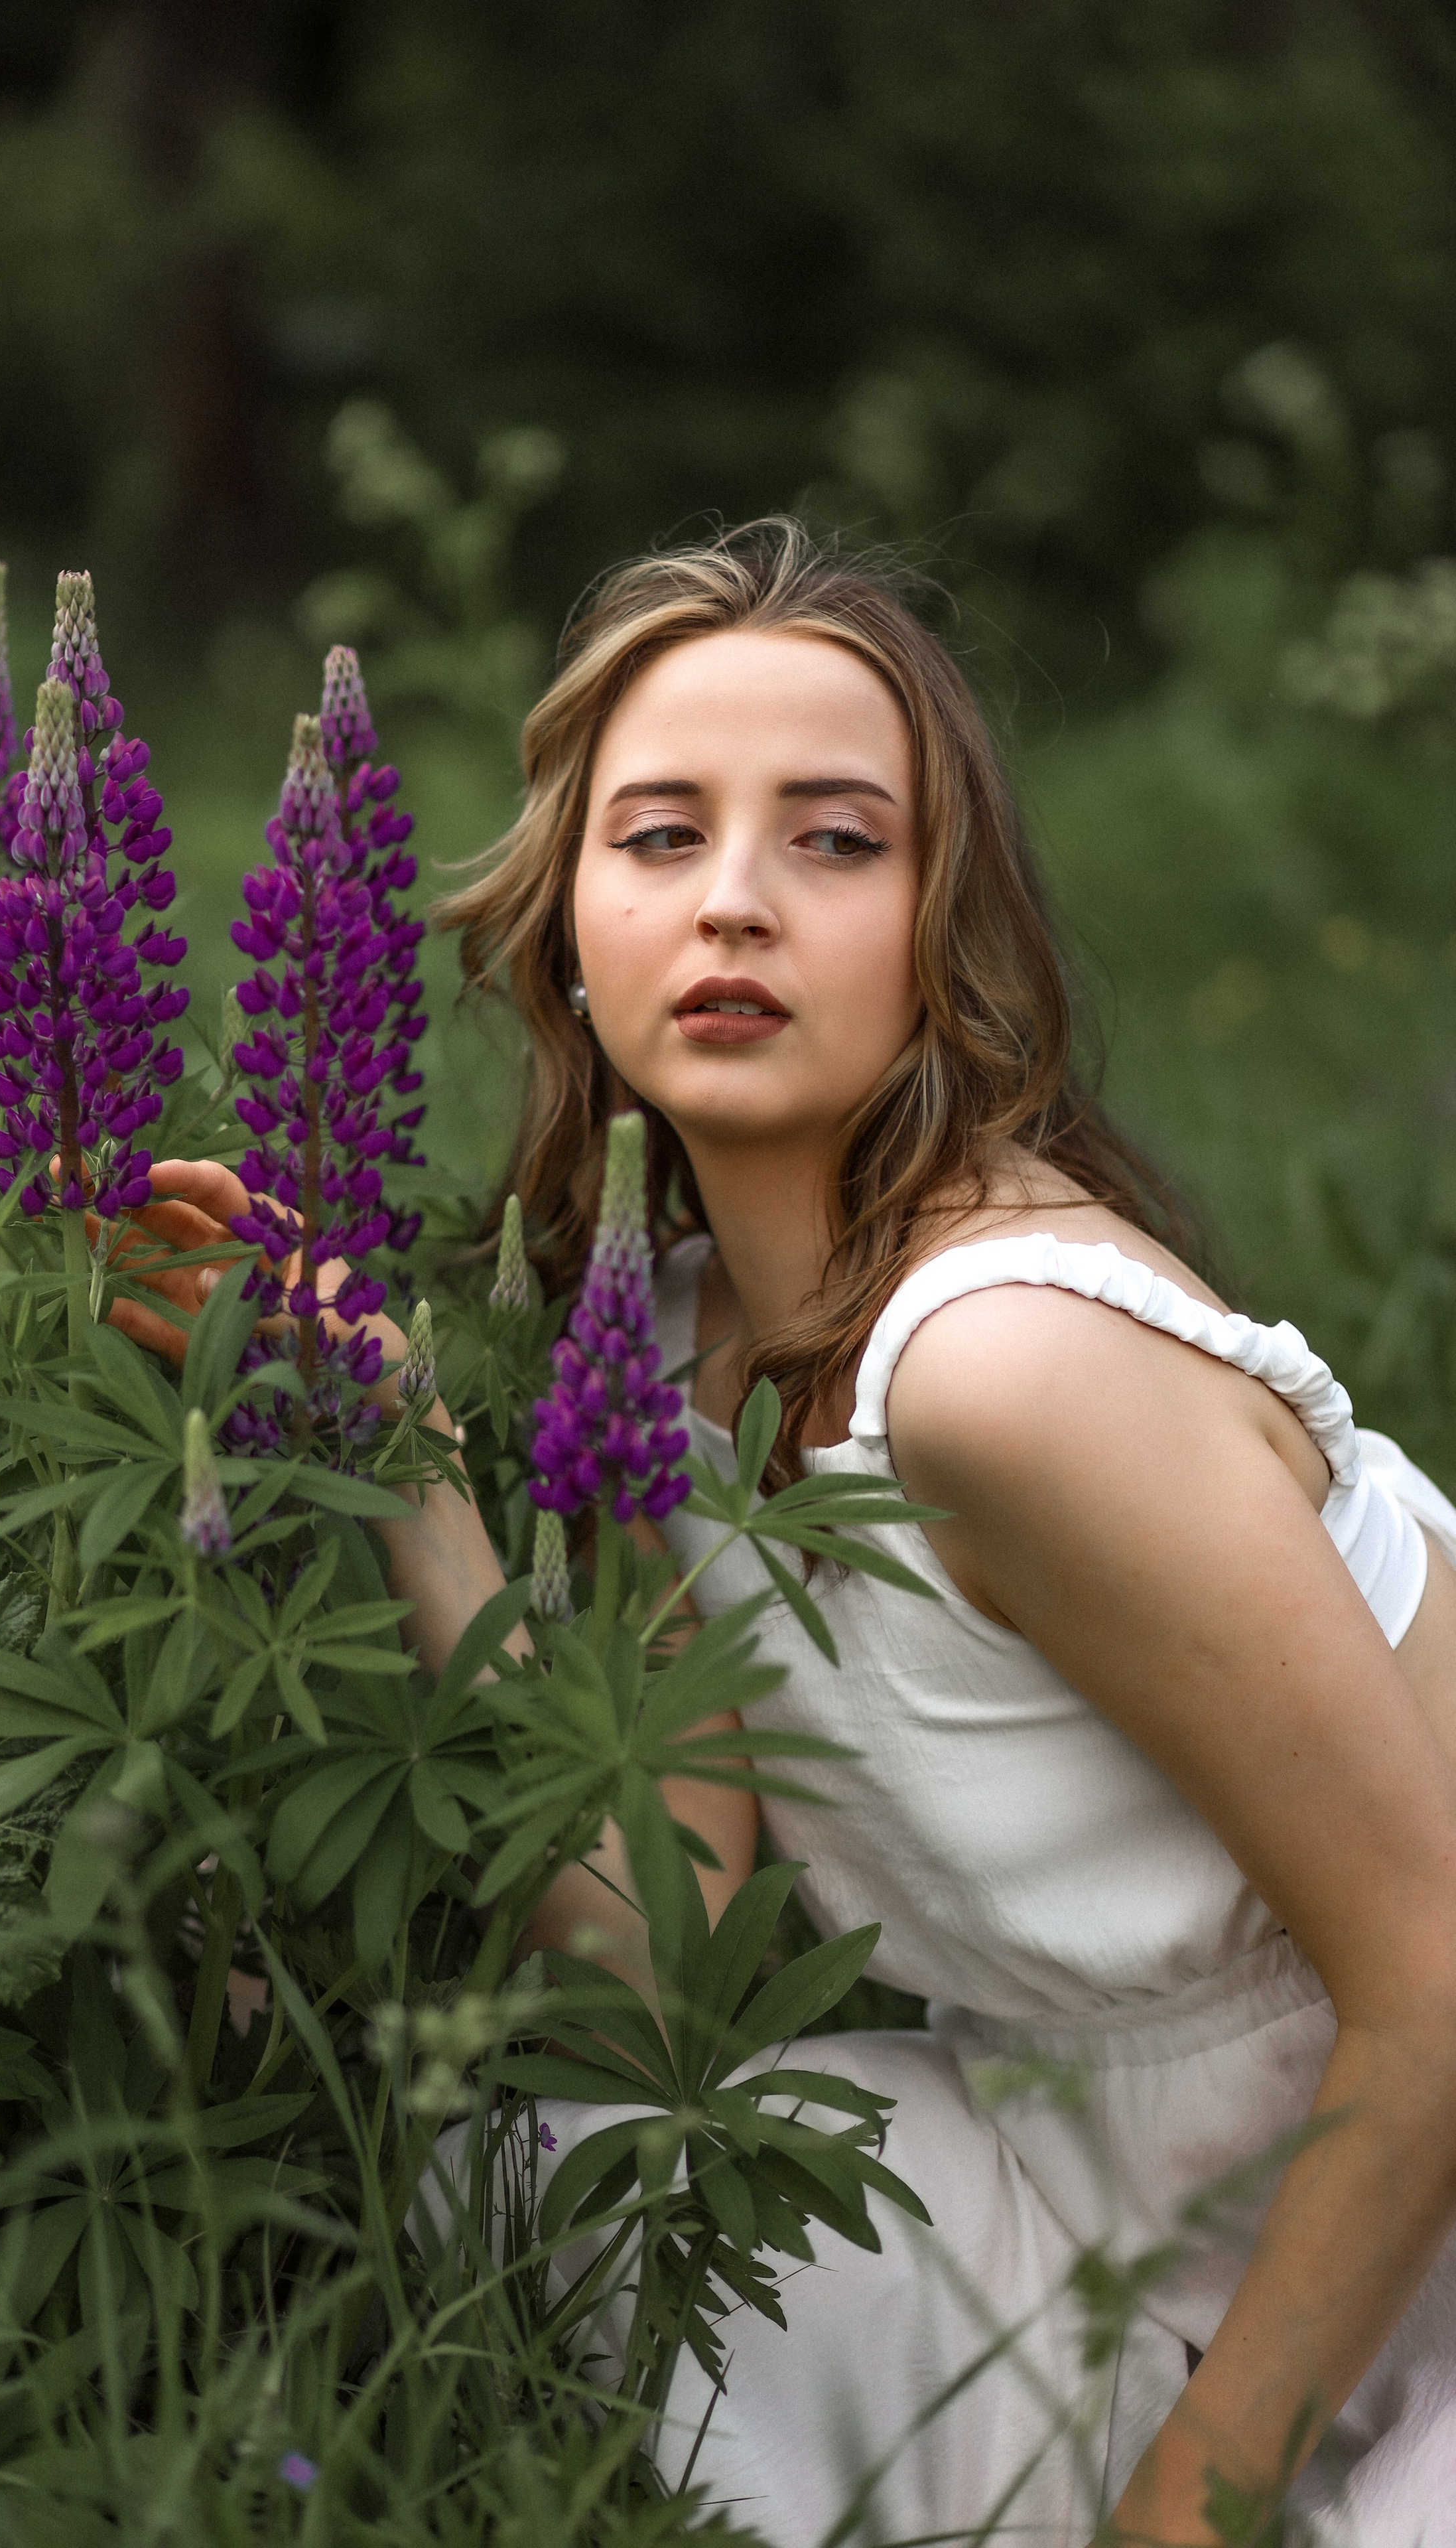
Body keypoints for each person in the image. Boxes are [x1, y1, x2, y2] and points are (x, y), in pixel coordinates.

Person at [113, 522, 1456, 2544]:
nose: (735, 898)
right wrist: (401, 1449)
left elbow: (1437, 1974)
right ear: (568, 920)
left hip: (1401, 2178)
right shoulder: (665, 1349)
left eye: (835, 841)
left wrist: (1182, 2519)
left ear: (943, 932)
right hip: (1138, 2198)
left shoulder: (1007, 1370)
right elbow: (666, 1958)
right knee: (547, 2165)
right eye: (660, 836)